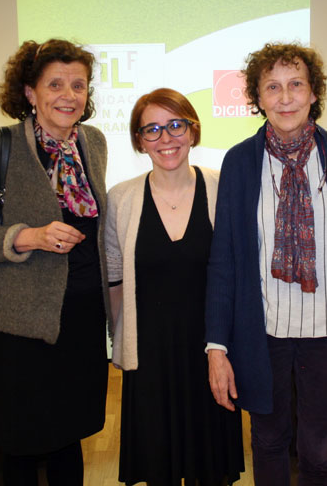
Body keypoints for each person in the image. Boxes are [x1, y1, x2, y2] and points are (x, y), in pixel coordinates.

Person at [205, 43, 327, 485]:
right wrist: (217, 347)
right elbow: (224, 261)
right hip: (263, 335)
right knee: (267, 442)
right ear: (257, 98)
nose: (285, 98)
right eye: (273, 87)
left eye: (296, 84)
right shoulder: (241, 163)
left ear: (314, 92)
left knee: (320, 451)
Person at [0, 38, 109, 485]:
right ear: (30, 92)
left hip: (82, 317)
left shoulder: (93, 142)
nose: (69, 95)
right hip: (24, 323)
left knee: (71, 433)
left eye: (78, 85)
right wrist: (28, 237)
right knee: (23, 440)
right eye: (55, 84)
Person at [105, 88, 244, 486]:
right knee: (159, 470)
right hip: (149, 361)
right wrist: (121, 339)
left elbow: (237, 273)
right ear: (138, 140)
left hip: (211, 354)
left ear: (193, 129)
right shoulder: (122, 199)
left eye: (175, 125)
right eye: (152, 129)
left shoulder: (222, 187)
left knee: (210, 472)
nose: (165, 138)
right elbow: (114, 277)